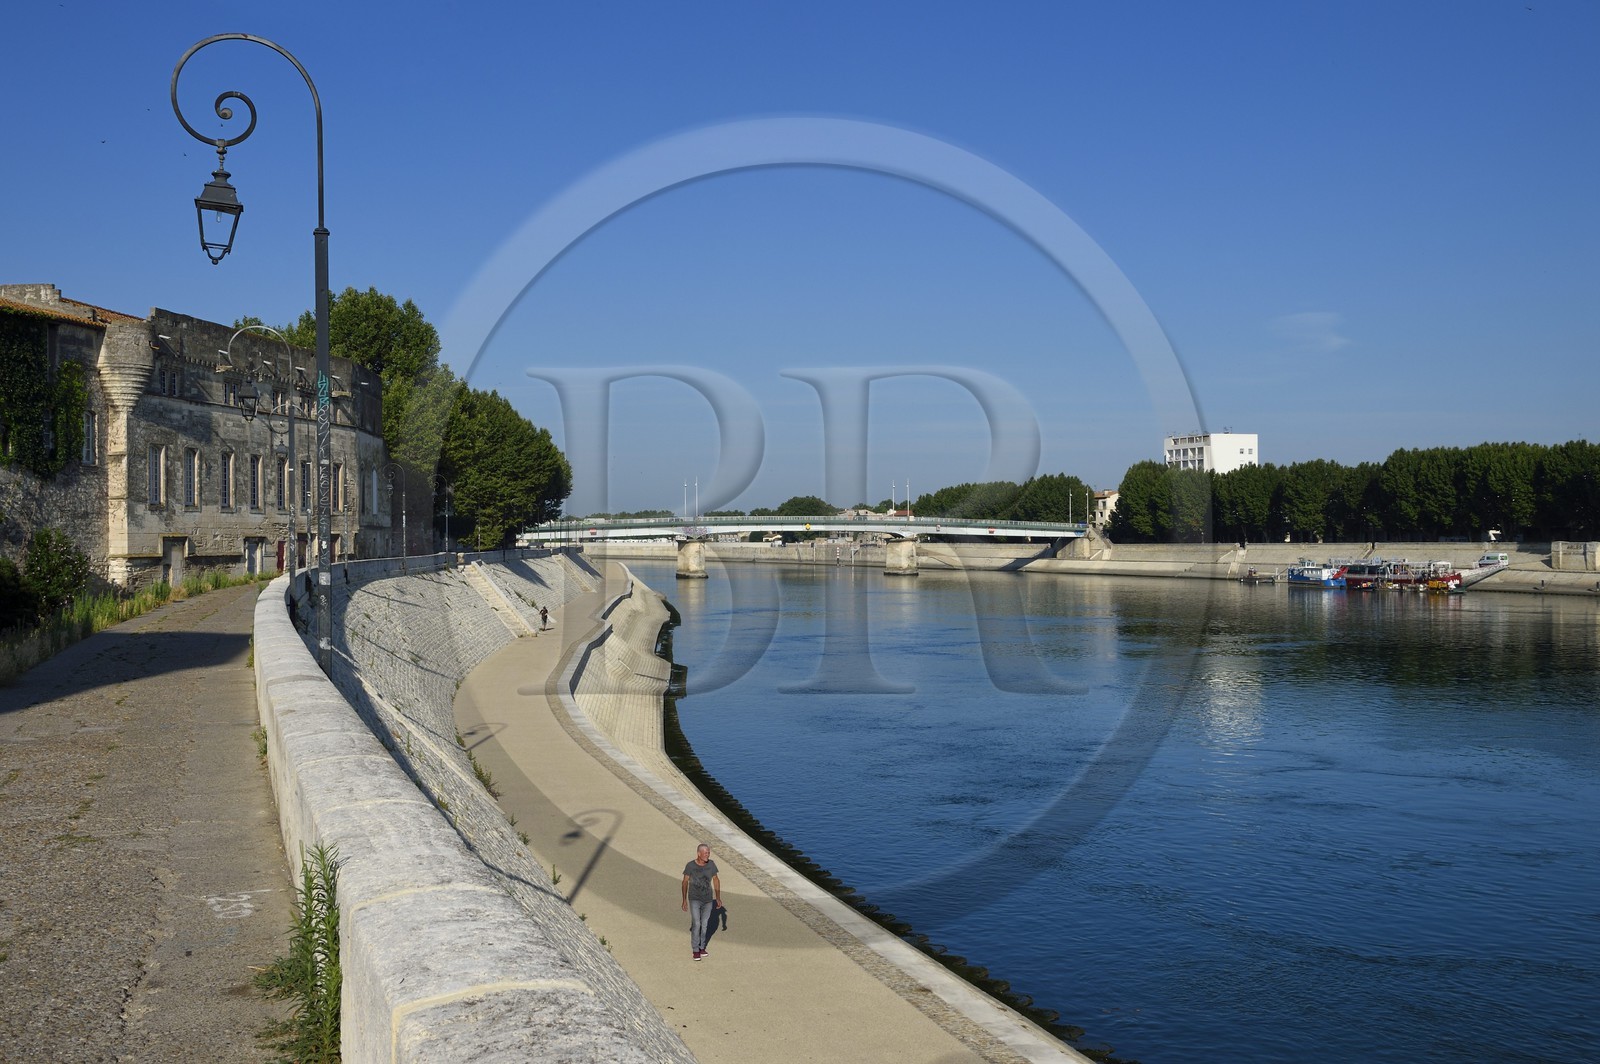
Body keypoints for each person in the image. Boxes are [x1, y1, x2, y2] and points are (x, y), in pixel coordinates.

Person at [680, 843, 721, 960]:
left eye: (708, 853)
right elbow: (684, 882)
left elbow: (716, 880)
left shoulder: (711, 864)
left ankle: (702, 947)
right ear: (699, 853)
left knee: (704, 925)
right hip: (694, 899)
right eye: (705, 853)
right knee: (697, 924)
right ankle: (695, 949)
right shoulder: (690, 866)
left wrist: (718, 897)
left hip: (708, 900)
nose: (707, 855)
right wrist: (684, 900)